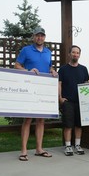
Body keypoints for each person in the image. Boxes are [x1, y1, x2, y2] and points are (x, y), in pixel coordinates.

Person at [15, 27, 57, 161]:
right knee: (27, 119)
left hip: (43, 90)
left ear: (44, 37)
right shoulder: (26, 50)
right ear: (34, 37)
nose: (40, 38)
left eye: (42, 36)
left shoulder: (48, 52)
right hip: (29, 89)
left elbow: (49, 66)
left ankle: (39, 149)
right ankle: (24, 151)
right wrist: (28, 70)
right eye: (37, 36)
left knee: (41, 120)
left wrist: (52, 70)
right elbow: (17, 65)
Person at [58, 45, 89, 156]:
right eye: (73, 52)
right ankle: (68, 146)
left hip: (80, 101)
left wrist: (86, 99)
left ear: (79, 55)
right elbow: (59, 84)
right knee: (68, 125)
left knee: (78, 125)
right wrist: (60, 98)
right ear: (69, 54)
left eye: (77, 53)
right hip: (68, 101)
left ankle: (77, 145)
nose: (75, 54)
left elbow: (86, 85)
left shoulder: (84, 69)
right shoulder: (63, 69)